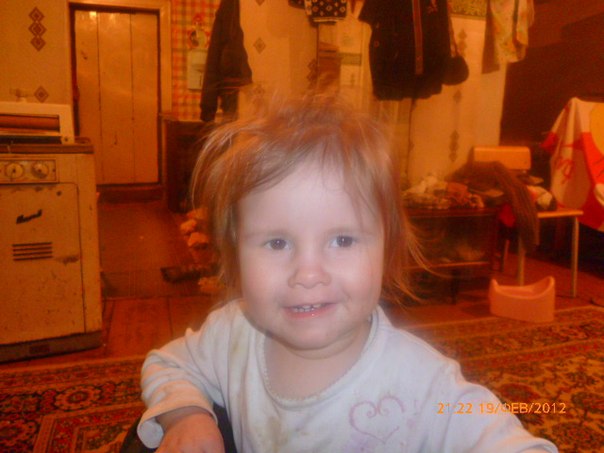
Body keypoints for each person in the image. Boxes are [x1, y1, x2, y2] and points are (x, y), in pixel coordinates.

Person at [136, 95, 557, 453]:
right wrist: (186, 416)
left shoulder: (422, 382)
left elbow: (499, 438)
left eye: (342, 240)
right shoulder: (232, 333)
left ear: (387, 249)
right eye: (277, 243)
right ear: (234, 256)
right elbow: (168, 364)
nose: (308, 273)